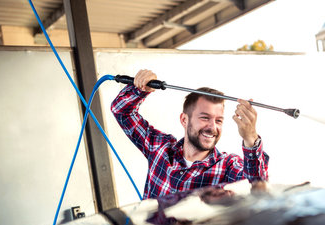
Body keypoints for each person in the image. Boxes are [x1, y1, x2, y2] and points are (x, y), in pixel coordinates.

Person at [111, 69, 269, 200]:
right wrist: (140, 89)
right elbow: (121, 111)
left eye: (219, 120)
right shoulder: (159, 147)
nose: (212, 127)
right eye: (205, 118)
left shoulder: (227, 165)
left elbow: (257, 189)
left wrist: (250, 138)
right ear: (184, 119)